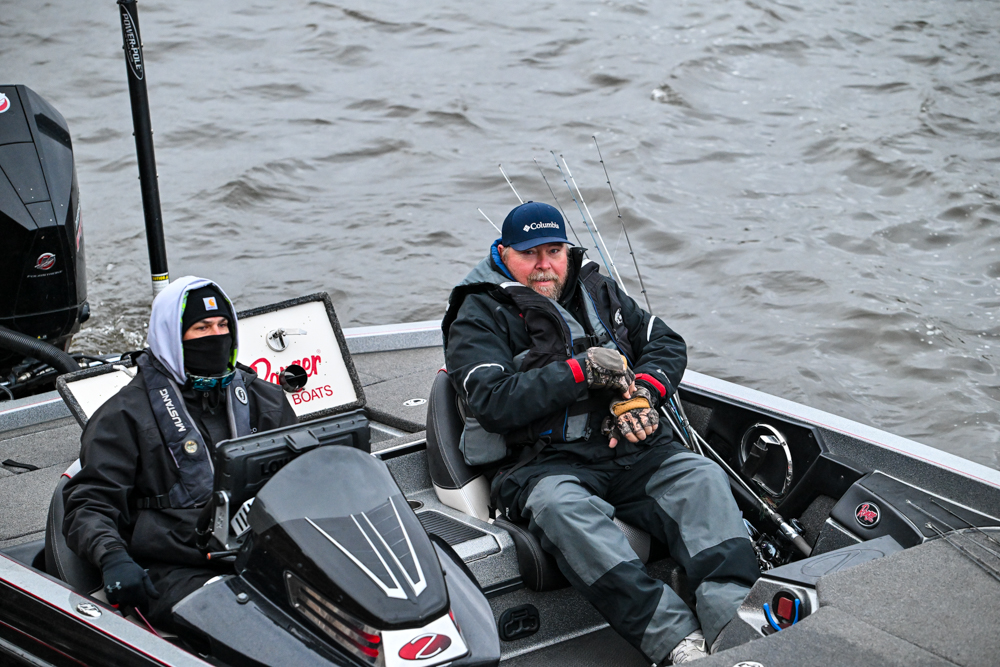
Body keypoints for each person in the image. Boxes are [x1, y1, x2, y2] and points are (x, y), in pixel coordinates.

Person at [443, 202, 760, 664]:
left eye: (554, 251)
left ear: (566, 251)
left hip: (629, 449)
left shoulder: (598, 287)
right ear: (504, 253)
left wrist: (644, 394)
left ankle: (735, 629)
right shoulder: (477, 313)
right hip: (543, 463)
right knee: (561, 510)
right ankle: (678, 643)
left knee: (701, 478)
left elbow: (666, 343)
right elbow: (492, 401)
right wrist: (579, 371)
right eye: (529, 254)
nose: (544, 265)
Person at [62, 276, 297, 632]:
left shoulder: (266, 399)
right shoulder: (122, 416)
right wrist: (112, 557)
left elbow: (303, 476)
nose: (215, 336)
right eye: (201, 328)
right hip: (173, 570)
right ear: (171, 336)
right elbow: (89, 504)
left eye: (222, 325)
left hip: (262, 550)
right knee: (253, 629)